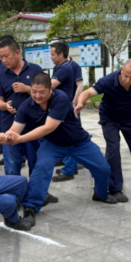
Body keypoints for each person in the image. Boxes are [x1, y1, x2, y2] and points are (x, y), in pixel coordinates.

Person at [4, 72, 117, 224]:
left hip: (79, 143)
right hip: (52, 145)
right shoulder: (26, 106)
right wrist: (8, 136)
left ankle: (100, 194)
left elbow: (49, 127)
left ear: (51, 89)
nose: (37, 96)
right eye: (34, 91)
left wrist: (21, 139)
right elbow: (15, 129)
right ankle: (30, 207)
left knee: (103, 169)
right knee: (41, 168)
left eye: (41, 92)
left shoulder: (60, 98)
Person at [74, 59, 131, 201]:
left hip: (129, 116)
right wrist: (80, 103)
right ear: (121, 71)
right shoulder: (107, 81)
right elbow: (87, 93)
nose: (128, 80)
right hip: (110, 118)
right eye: (125, 76)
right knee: (113, 148)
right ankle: (115, 188)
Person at [0, 38, 44, 177]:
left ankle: (36, 190)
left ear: (17, 53)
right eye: (0, 57)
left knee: (36, 164)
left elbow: (46, 94)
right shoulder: (1, 75)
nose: (3, 60)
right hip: (10, 126)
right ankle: (14, 190)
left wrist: (27, 89)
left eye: (6, 56)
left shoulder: (35, 70)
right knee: (12, 166)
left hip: (34, 126)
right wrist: (5, 106)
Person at [49, 41, 86, 182]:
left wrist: (74, 102)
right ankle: (69, 164)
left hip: (70, 106)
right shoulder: (58, 67)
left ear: (61, 54)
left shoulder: (72, 66)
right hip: (62, 106)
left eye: (53, 54)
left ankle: (70, 168)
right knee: (65, 136)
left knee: (71, 136)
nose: (51, 57)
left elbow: (80, 85)